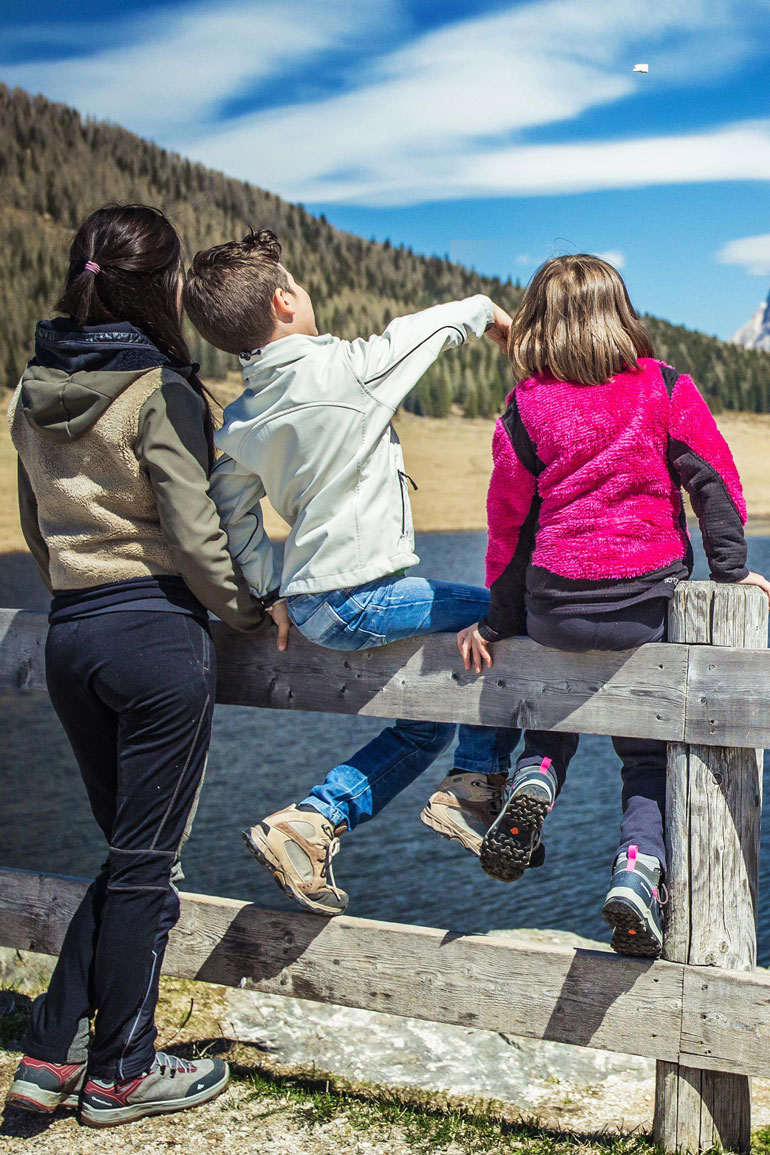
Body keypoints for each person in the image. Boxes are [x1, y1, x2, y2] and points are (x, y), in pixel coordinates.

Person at [5, 204, 270, 1127]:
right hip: (154, 638)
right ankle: (121, 1070)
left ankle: (51, 1050)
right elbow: (195, 535)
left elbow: (37, 528)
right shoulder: (162, 389)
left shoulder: (34, 385)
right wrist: (250, 611)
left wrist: (80, 594)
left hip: (71, 635)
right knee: (146, 864)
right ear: (162, 285)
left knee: (130, 856)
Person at [182, 228, 527, 918]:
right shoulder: (349, 370)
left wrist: (269, 590)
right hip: (360, 596)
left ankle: (311, 823)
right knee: (498, 616)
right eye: (297, 284)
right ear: (284, 301)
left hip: (315, 604)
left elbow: (229, 510)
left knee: (425, 723)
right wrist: (491, 315)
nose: (303, 290)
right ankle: (475, 783)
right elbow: (425, 331)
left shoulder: (244, 417)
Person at [436, 253, 770, 959]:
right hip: (645, 605)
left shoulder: (525, 407)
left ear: (537, 324)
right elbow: (712, 480)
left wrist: (498, 620)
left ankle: (535, 775)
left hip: (555, 605)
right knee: (645, 755)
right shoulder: (664, 386)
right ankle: (637, 870)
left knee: (554, 710)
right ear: (621, 316)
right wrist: (732, 571)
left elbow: (508, 527)